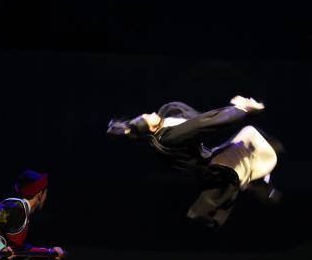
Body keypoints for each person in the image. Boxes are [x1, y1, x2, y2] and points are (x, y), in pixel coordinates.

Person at [107, 95, 283, 227]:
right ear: (152, 128)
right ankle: (261, 187)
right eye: (147, 116)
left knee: (251, 138)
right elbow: (202, 124)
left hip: (211, 156)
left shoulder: (165, 116)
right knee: (252, 143)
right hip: (215, 165)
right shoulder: (169, 138)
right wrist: (241, 109)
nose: (150, 113)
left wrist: (125, 129)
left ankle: (257, 184)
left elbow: (197, 119)